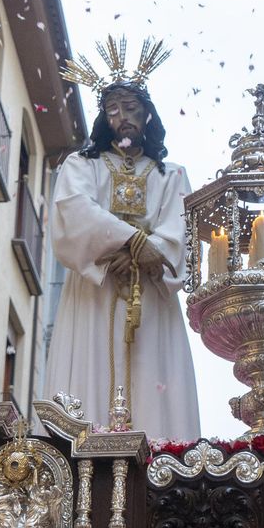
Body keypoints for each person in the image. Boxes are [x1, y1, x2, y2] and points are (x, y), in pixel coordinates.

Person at [46, 38, 200, 440]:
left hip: (150, 298)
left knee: (153, 379)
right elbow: (73, 210)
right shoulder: (82, 165)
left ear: (147, 114)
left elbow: (181, 230)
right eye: (113, 109)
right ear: (103, 117)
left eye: (131, 108)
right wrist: (133, 243)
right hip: (94, 293)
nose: (122, 117)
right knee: (89, 377)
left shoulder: (172, 175)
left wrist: (148, 252)